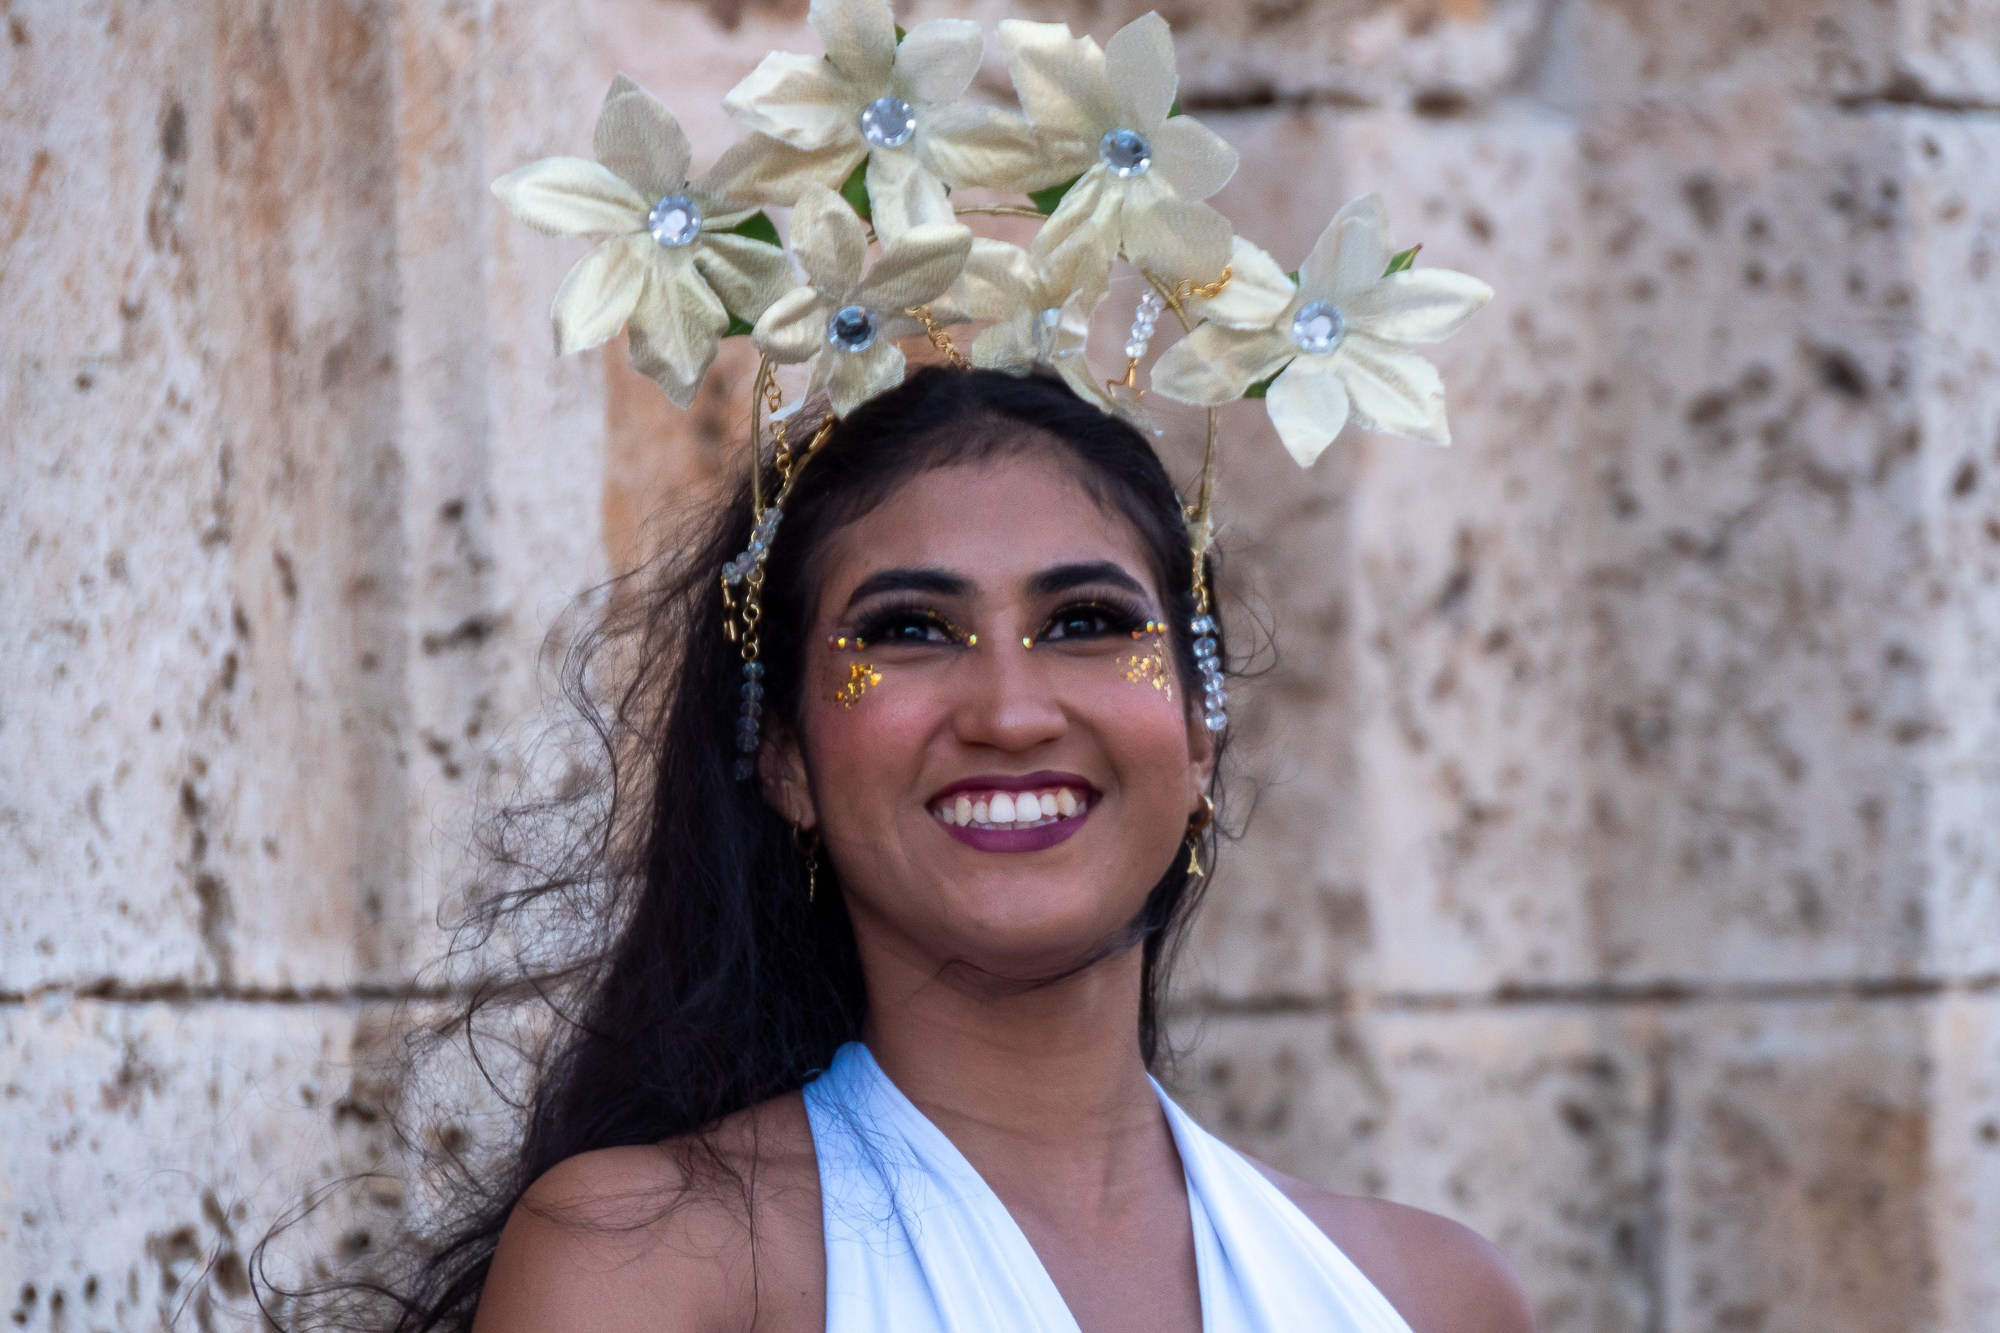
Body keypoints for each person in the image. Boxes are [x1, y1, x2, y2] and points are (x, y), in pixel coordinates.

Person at [348, 7, 1530, 1328]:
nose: (1014, 709)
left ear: (1201, 731)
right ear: (785, 755)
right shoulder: (646, 1265)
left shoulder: (1430, 1294)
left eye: (1088, 622)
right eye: (908, 631)